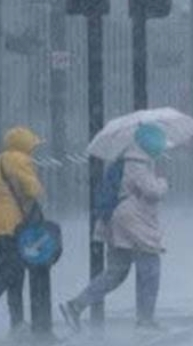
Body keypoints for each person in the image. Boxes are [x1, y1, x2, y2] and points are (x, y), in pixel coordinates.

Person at [61, 123, 169, 331]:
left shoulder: (128, 159)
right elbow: (152, 191)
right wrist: (163, 182)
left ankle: (75, 305)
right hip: (133, 219)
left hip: (117, 219)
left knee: (116, 272)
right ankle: (145, 319)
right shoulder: (137, 162)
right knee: (150, 265)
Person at [0, 127, 45, 334]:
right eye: (32, 146)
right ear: (24, 145)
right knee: (10, 273)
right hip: (10, 224)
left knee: (13, 273)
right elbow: (33, 189)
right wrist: (38, 183)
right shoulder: (19, 160)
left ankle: (18, 324)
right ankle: (17, 323)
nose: (33, 151)